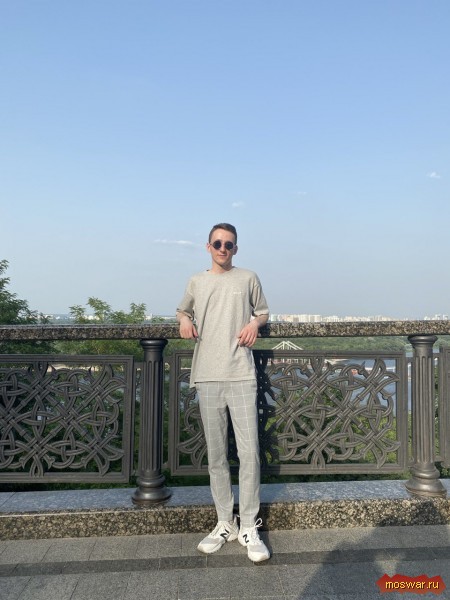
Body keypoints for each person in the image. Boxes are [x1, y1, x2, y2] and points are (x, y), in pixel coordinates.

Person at [176, 223, 270, 563]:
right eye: (217, 243)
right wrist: (183, 319)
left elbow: (263, 312)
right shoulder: (196, 281)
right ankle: (224, 523)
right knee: (216, 456)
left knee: (250, 453)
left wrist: (254, 323)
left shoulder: (248, 278)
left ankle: (248, 526)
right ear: (208, 246)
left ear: (235, 248)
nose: (222, 249)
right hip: (207, 376)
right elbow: (183, 309)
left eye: (228, 244)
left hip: (241, 374)